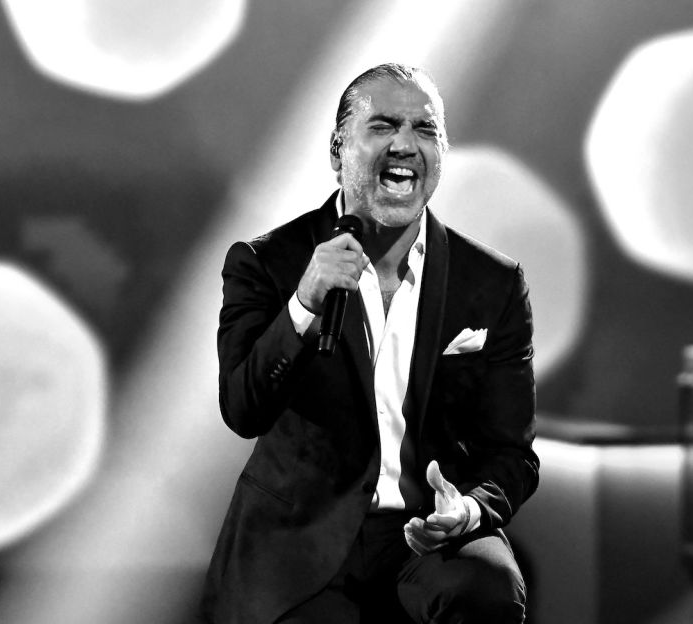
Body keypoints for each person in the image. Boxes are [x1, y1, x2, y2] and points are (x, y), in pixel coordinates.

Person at [202, 63, 538, 624]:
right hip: (301, 531)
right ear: (338, 152)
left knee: (487, 588)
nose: (406, 144)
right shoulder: (266, 263)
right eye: (382, 126)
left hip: (426, 534)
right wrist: (304, 303)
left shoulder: (493, 284)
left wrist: (471, 509)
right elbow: (242, 408)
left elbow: (513, 453)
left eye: (425, 130)